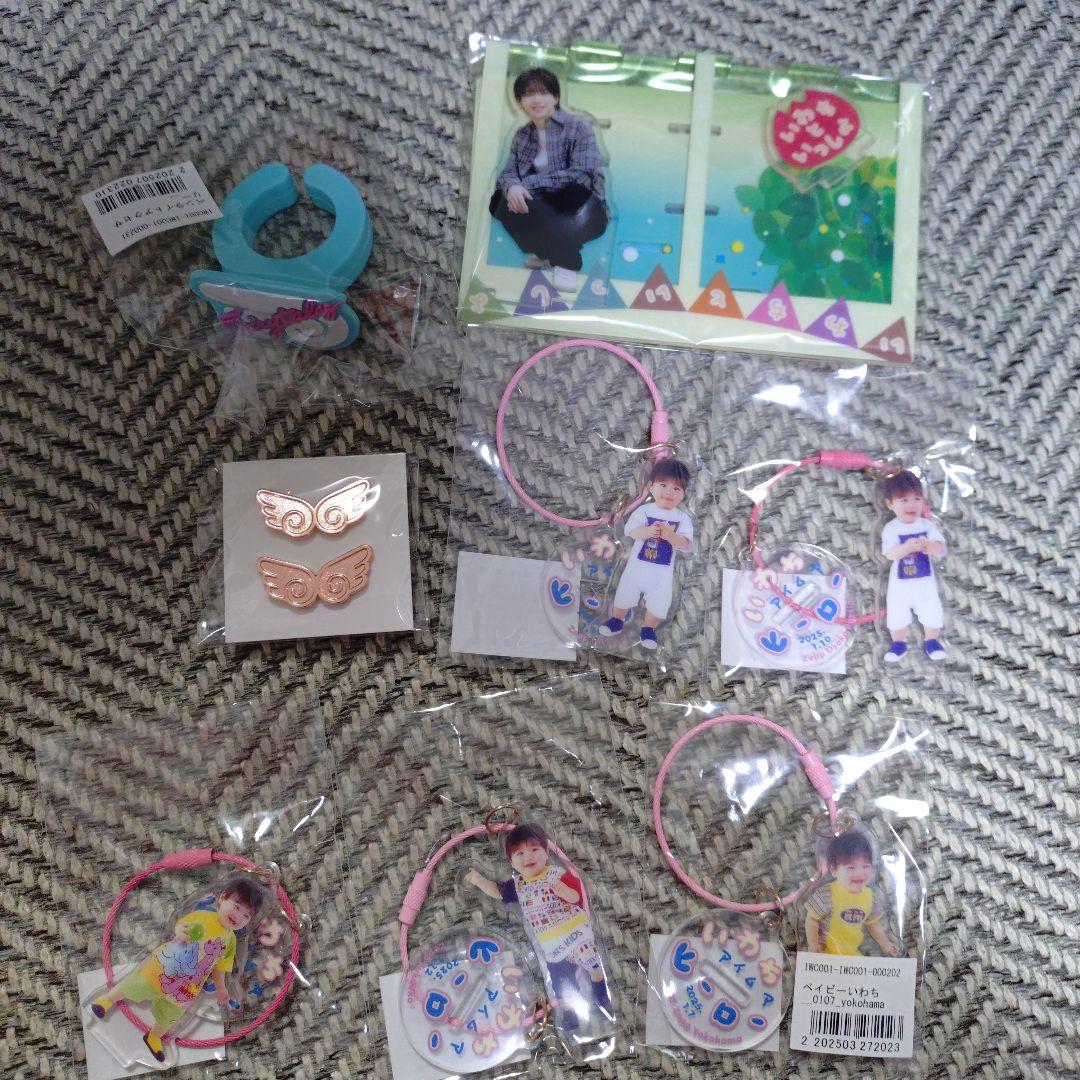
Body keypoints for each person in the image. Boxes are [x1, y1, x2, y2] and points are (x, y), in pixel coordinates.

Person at [89, 877, 266, 1063]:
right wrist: (180, 932)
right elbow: (181, 925)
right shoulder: (205, 916)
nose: (238, 916)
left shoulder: (230, 942)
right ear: (222, 898)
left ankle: (154, 1037)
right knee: (138, 985)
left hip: (187, 987)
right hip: (164, 968)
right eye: (236, 907)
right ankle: (107, 999)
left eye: (246, 916)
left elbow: (220, 967)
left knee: (171, 1015)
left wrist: (221, 988)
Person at [465, 823, 612, 1031]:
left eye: (534, 849)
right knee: (561, 981)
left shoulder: (556, 874)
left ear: (546, 852)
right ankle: (570, 1013)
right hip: (552, 945)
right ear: (511, 861)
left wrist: (567, 894)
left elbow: (578, 897)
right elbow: (497, 891)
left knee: (594, 967)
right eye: (520, 854)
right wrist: (479, 880)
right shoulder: (518, 886)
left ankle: (601, 995)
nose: (528, 857)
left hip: (575, 934)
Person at [489, 67, 609, 294]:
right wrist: (513, 187)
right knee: (499, 201)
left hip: (585, 212)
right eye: (528, 94)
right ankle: (547, 253)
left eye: (543, 92)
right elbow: (507, 174)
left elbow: (582, 174)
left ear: (556, 96)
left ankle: (567, 263)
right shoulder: (522, 136)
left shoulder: (578, 127)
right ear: (520, 101)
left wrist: (526, 184)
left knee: (571, 192)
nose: (536, 100)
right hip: (547, 208)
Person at [598, 459, 693, 651]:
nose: (669, 492)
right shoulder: (645, 510)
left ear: (683, 493)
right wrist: (646, 532)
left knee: (659, 601)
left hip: (661, 574)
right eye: (663, 485)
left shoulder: (682, 518)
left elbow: (687, 545)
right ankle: (616, 620)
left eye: (676, 489)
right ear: (650, 487)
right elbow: (630, 531)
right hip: (636, 568)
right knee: (625, 592)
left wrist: (672, 537)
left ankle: (648, 629)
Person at [880, 470, 948, 663]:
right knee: (896, 611)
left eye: (917, 499)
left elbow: (941, 548)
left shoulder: (926, 525)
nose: (912, 505)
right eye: (904, 500)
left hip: (924, 582)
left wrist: (930, 546)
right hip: (900, 584)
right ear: (890, 504)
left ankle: (932, 640)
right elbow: (889, 553)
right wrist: (907, 548)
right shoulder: (891, 528)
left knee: (931, 608)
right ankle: (898, 643)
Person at [804, 830, 900, 957]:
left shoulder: (869, 898)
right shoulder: (826, 894)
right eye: (851, 867)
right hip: (825, 953)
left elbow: (873, 924)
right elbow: (811, 919)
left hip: (851, 955)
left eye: (865, 866)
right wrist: (813, 944)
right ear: (833, 870)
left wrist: (886, 944)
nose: (859, 873)